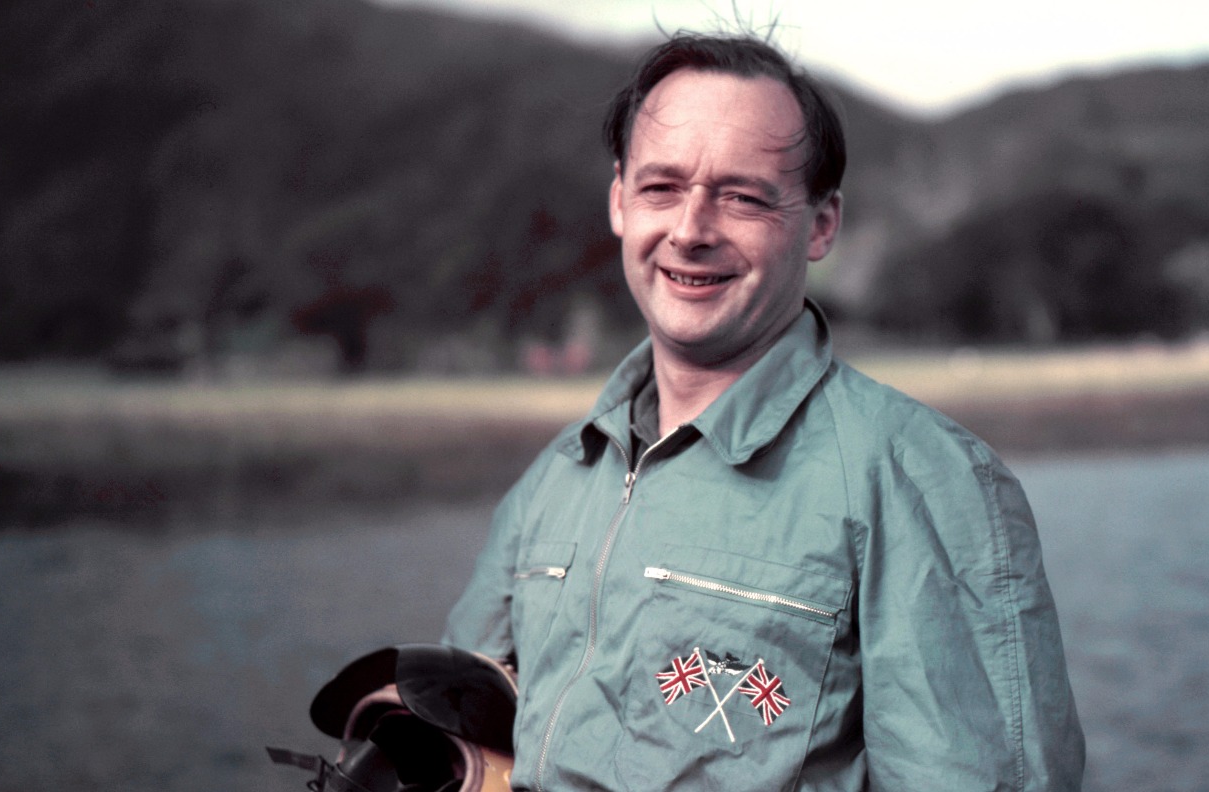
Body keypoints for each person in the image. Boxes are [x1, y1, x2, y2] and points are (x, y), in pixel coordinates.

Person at [442, 31, 1085, 791]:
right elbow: (458, 726)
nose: (690, 230)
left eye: (742, 197)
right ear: (619, 201)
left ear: (822, 224)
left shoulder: (924, 479)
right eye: (661, 188)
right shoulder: (555, 480)